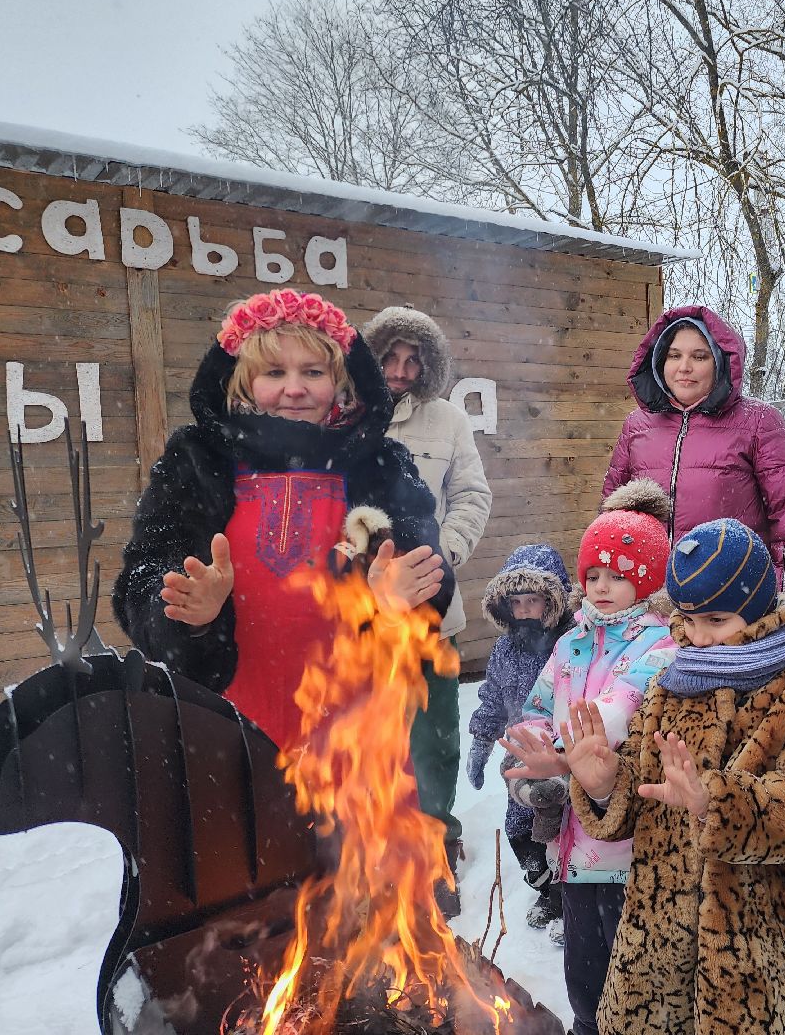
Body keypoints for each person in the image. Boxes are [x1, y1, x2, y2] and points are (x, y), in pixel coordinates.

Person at [112, 288, 452, 754]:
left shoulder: (379, 463)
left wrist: (396, 602)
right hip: (221, 721)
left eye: (313, 372)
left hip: (354, 728)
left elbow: (429, 573)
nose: (295, 388)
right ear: (243, 381)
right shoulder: (197, 460)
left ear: (341, 382)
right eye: (274, 372)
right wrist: (186, 612)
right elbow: (143, 576)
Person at [560, 517, 785, 1035]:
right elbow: (643, 796)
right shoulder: (669, 687)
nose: (698, 637)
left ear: (759, 609)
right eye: (689, 619)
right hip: (657, 951)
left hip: (760, 953)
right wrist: (607, 783)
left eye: (717, 620)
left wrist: (714, 804)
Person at [498, 481, 676, 1035]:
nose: (601, 587)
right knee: (582, 967)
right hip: (576, 845)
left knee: (633, 967)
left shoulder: (659, 645)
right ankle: (585, 1024)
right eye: (593, 576)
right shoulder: (571, 642)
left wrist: (558, 759)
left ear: (646, 580)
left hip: (630, 841)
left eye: (618, 575)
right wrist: (528, 749)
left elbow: (612, 715)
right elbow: (539, 704)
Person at [362, 305, 492, 906]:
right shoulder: (345, 416)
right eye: (391, 357)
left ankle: (437, 840)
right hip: (358, 611)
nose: (400, 369)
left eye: (414, 360)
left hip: (435, 612)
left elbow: (471, 492)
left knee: (434, 735)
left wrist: (448, 552)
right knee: (370, 734)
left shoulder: (446, 421)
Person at [603, 304, 785, 614]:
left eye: (699, 356)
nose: (684, 367)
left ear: (720, 362)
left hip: (730, 599)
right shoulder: (637, 426)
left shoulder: (758, 422)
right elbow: (611, 516)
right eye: (674, 355)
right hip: (649, 604)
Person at [464, 543, 576, 936]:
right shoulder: (504, 651)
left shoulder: (573, 642)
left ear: (554, 601)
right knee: (521, 833)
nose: (525, 610)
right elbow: (492, 699)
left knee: (563, 833)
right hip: (519, 764)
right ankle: (547, 889)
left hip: (563, 758)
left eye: (535, 600)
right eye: (517, 602)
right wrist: (480, 740)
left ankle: (572, 900)